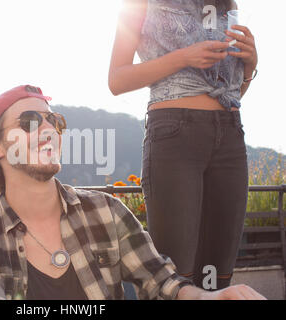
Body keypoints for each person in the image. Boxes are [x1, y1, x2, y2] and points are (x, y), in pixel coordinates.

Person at [0, 84, 265, 300]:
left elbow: (165, 283)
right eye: (29, 121)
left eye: (53, 120)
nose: (47, 129)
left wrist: (214, 297)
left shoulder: (105, 212)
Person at [108, 0, 258, 289]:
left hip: (230, 135)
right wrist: (184, 57)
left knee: (219, 273)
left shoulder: (227, 4)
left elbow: (231, 91)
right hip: (174, 134)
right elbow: (116, 79)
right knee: (174, 275)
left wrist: (250, 64)